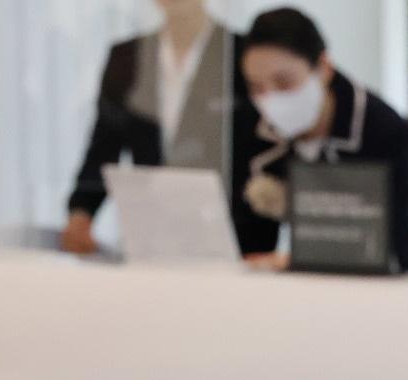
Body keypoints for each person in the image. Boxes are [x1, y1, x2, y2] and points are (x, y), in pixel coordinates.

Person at [61, 0, 273, 256]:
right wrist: (82, 212)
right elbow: (103, 148)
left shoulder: (242, 54)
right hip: (153, 238)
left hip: (236, 242)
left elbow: (267, 150)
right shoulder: (126, 57)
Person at [237, 7, 408, 273]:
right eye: (257, 88)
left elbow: (393, 239)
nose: (269, 100)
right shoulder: (253, 129)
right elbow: (250, 243)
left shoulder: (382, 129)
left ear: (323, 68)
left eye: (284, 83)